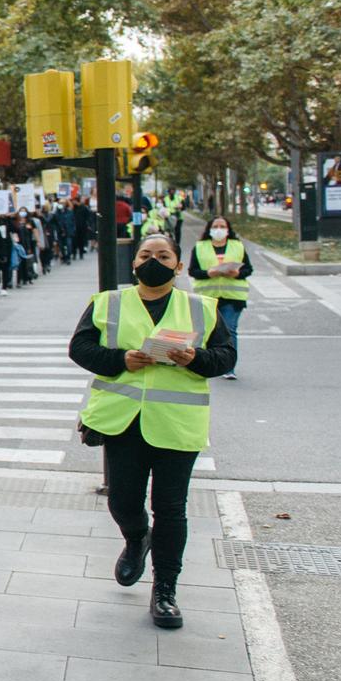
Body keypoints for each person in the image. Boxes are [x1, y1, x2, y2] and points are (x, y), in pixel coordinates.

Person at [69, 232, 235, 631]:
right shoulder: (108, 303)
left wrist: (196, 357)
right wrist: (120, 358)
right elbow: (80, 347)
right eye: (146, 254)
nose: (152, 261)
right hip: (123, 422)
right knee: (123, 501)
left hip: (176, 425)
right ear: (134, 263)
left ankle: (165, 591)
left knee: (171, 509)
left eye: (163, 255)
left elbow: (226, 356)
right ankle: (136, 537)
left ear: (178, 265)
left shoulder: (202, 309)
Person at [190, 215, 251, 381]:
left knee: (230, 330)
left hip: (233, 297)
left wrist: (237, 273)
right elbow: (193, 271)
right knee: (205, 332)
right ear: (209, 229)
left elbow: (248, 269)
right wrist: (209, 273)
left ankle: (229, 368)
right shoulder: (200, 247)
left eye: (222, 226)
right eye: (215, 226)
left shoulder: (237, 246)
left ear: (228, 229)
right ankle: (204, 363)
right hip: (207, 297)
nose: (219, 229)